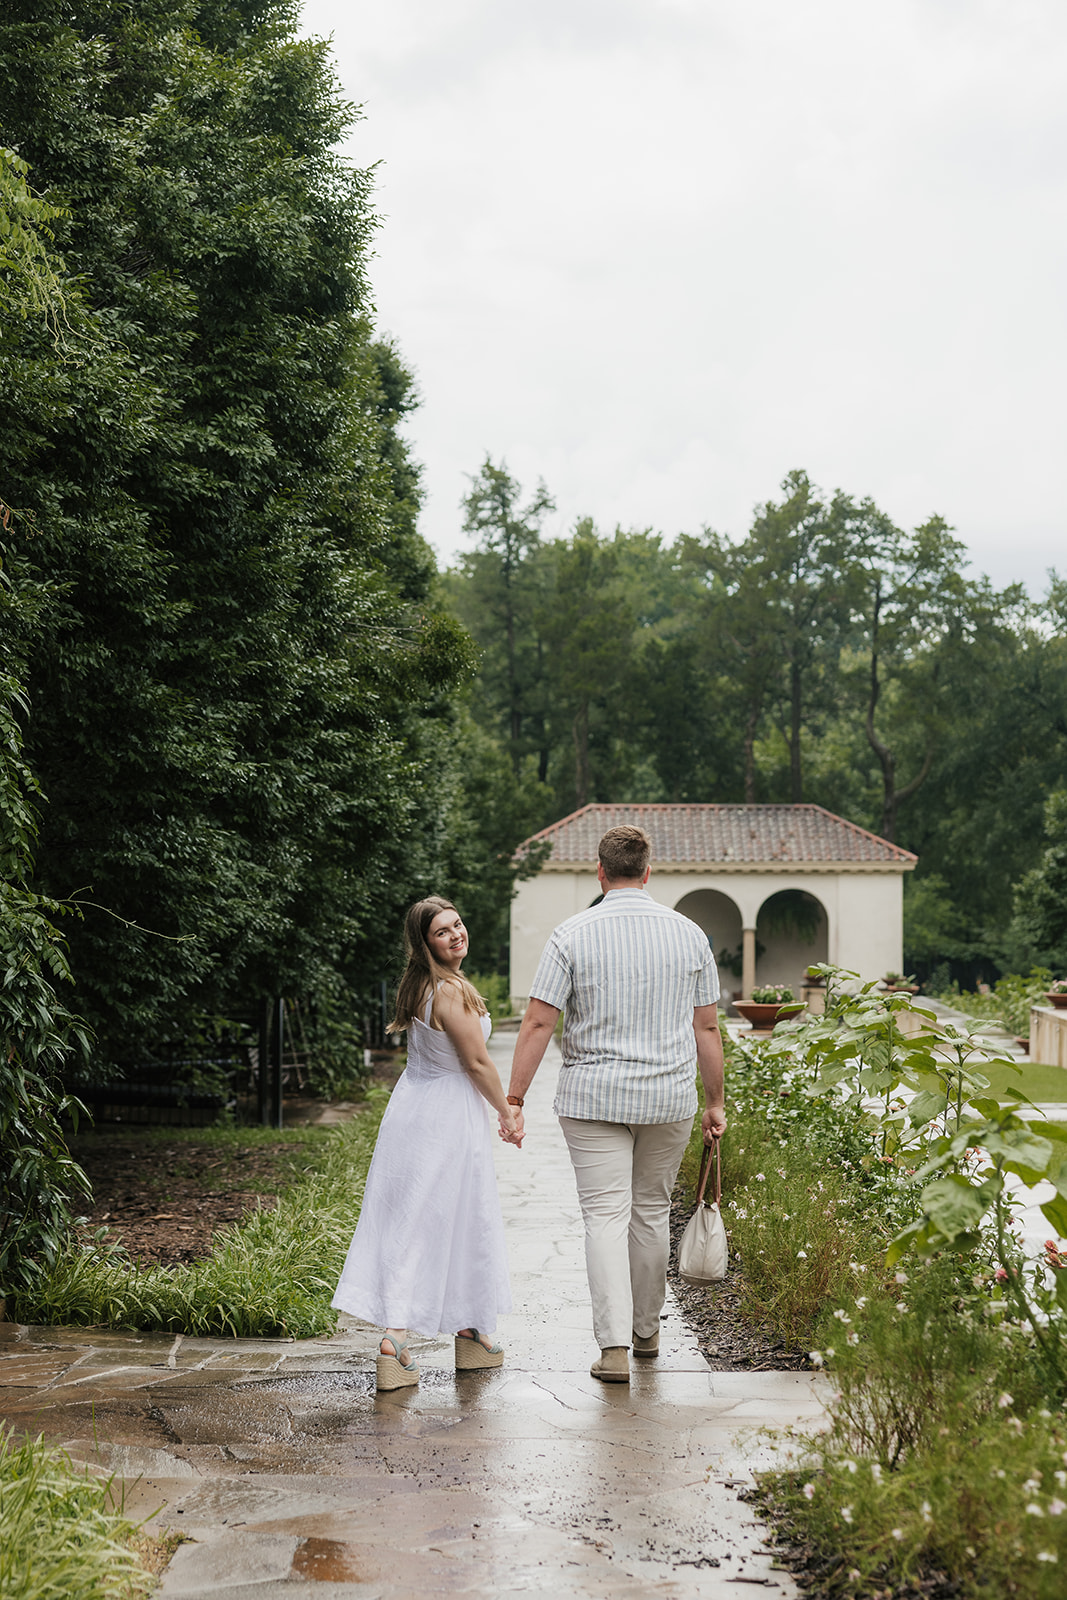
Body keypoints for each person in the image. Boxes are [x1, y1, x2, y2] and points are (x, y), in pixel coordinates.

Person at [502, 825, 726, 1384]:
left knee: (604, 1217)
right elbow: (707, 1027)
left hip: (593, 1095)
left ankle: (614, 1349)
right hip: (667, 1096)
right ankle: (648, 1332)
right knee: (650, 1212)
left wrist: (514, 1097)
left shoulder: (570, 934)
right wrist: (715, 1102)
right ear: (648, 872)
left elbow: (538, 1020)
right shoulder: (690, 935)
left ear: (599, 872)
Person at [332, 897, 521, 1391]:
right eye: (443, 931)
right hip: (446, 1117)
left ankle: (470, 1331)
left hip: (415, 1107)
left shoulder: (420, 984)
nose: (456, 934)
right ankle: (397, 1339)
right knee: (445, 1219)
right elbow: (477, 1064)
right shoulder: (450, 992)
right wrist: (507, 1113)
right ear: (425, 943)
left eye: (458, 924)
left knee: (432, 1218)